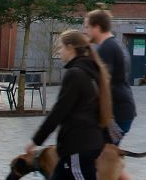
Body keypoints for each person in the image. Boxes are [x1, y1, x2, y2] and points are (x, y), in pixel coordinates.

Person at [29, 30, 112, 180]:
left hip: (78, 147)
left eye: (60, 47)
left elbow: (58, 112)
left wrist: (36, 140)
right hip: (84, 145)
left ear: (70, 47)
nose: (59, 51)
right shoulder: (93, 71)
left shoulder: (76, 74)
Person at [86, 9, 136, 180]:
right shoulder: (117, 44)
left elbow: (103, 84)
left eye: (87, 27)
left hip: (116, 115)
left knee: (100, 160)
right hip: (124, 111)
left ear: (97, 27)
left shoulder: (107, 48)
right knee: (109, 159)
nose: (86, 31)